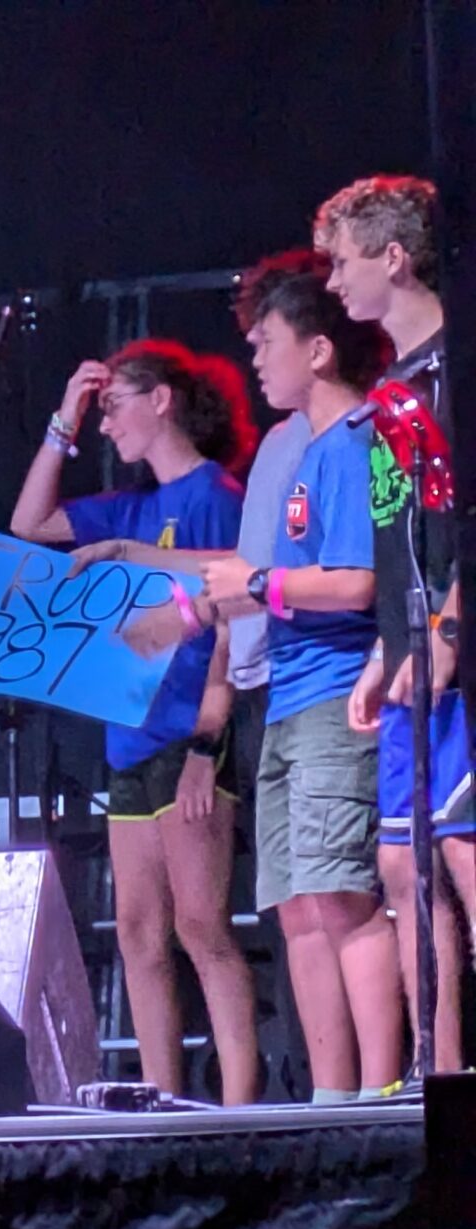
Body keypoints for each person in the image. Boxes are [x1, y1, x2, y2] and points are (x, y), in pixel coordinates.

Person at [10, 339, 255, 1102]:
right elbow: (30, 525)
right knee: (142, 934)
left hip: (191, 733)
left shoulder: (215, 492)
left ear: (162, 402)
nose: (105, 425)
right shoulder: (130, 507)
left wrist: (206, 747)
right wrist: (64, 419)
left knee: (201, 928)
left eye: (114, 407)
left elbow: (235, 614)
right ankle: (159, 1101)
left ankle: (242, 1108)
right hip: (130, 740)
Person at [183, 253, 402, 1103]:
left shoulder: (356, 441)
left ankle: (382, 1092)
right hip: (286, 700)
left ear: (317, 350)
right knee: (298, 909)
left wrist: (259, 585)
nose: (256, 361)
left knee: (342, 898)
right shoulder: (302, 451)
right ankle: (331, 1096)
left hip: (340, 696)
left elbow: (360, 583)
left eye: (267, 342)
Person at [322, 174, 470, 1076]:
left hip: (460, 641)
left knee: (464, 847)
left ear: (393, 257)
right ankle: (438, 1077)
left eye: (343, 263)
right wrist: (389, 644)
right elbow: (404, 532)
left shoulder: (463, 364)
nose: (333, 285)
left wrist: (452, 627)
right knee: (406, 871)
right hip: (414, 647)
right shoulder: (390, 395)